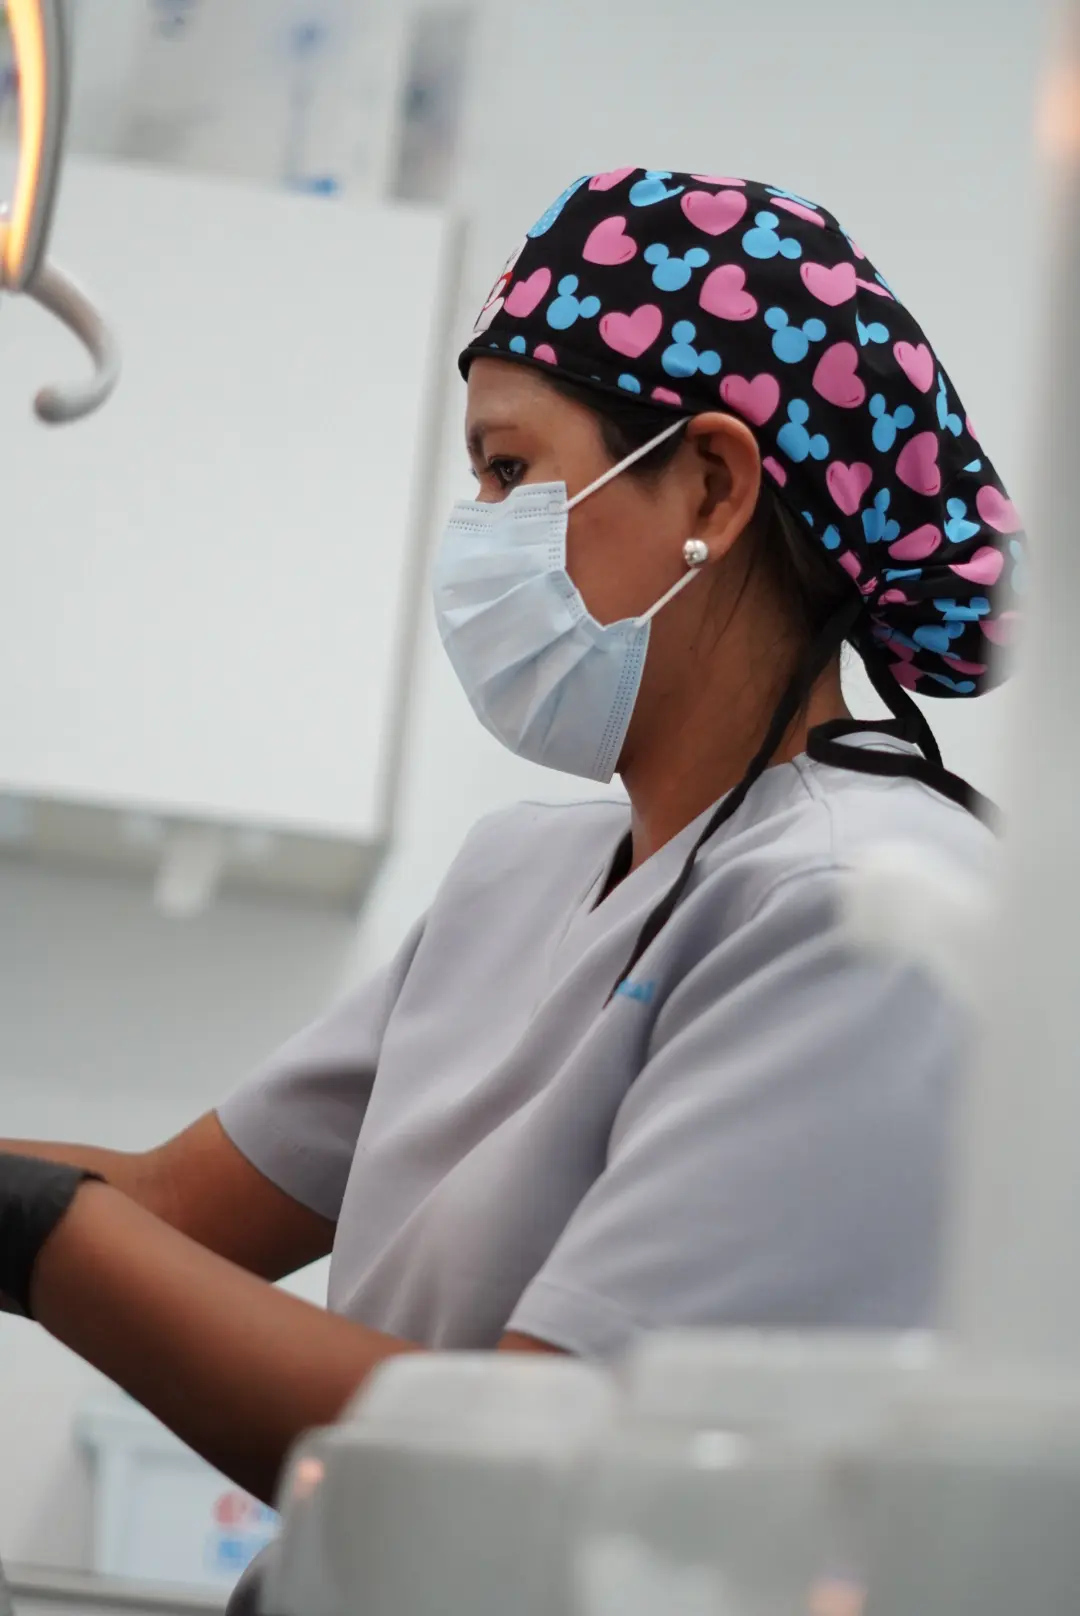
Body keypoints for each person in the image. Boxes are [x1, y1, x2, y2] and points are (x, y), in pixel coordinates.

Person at [0, 169, 1023, 1506]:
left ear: (712, 489)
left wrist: (36, 1238)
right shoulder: (517, 876)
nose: (478, 534)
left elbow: (517, 1475)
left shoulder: (857, 912)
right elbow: (176, 1208)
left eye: (510, 470)